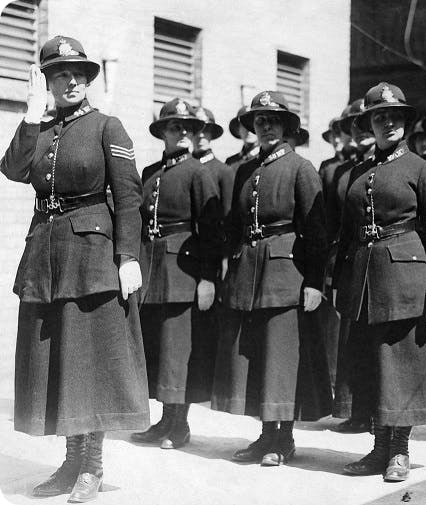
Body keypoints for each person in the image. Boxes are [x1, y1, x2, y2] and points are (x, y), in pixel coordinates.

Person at [0, 36, 149, 502]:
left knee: (91, 363)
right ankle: (70, 462)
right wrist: (28, 114)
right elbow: (11, 169)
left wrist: (127, 257)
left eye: (80, 72)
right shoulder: (41, 130)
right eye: (61, 73)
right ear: (46, 81)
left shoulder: (108, 126)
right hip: (46, 257)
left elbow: (128, 196)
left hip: (93, 258)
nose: (73, 80)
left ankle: (93, 467)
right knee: (59, 361)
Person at [335, 82, 426, 481]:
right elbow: (347, 232)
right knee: (373, 366)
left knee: (401, 367)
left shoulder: (420, 169)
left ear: (404, 121)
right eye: (378, 117)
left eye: (393, 116)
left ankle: (399, 450)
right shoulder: (359, 170)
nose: (387, 123)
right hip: (365, 282)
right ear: (368, 122)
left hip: (406, 279)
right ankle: (377, 448)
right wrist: (339, 284)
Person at [211, 90, 332, 466]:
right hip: (250, 275)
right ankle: (265, 436)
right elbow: (234, 225)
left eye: (272, 122)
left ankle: (284, 439)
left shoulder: (301, 168)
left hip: (287, 274)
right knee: (258, 356)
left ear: (286, 127)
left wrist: (314, 281)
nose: (265, 128)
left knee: (283, 358)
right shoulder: (245, 171)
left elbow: (317, 232)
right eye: (259, 122)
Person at [131, 98, 222, 449]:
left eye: (188, 127)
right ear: (163, 133)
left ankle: (179, 424)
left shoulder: (199, 172)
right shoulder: (151, 172)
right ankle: (164, 420)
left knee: (177, 351)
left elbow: (211, 230)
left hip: (184, 272)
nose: (182, 132)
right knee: (158, 348)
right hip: (154, 271)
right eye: (174, 127)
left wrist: (207, 278)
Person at [331, 98, 377, 434]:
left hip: (385, 266)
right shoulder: (344, 174)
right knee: (354, 344)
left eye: (365, 125)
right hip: (353, 265)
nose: (359, 133)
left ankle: (378, 414)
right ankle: (357, 410)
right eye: (354, 127)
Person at [225, 105, 259, 174]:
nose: (249, 130)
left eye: (253, 125)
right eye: (245, 125)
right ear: (238, 130)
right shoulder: (231, 162)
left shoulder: (265, 159)